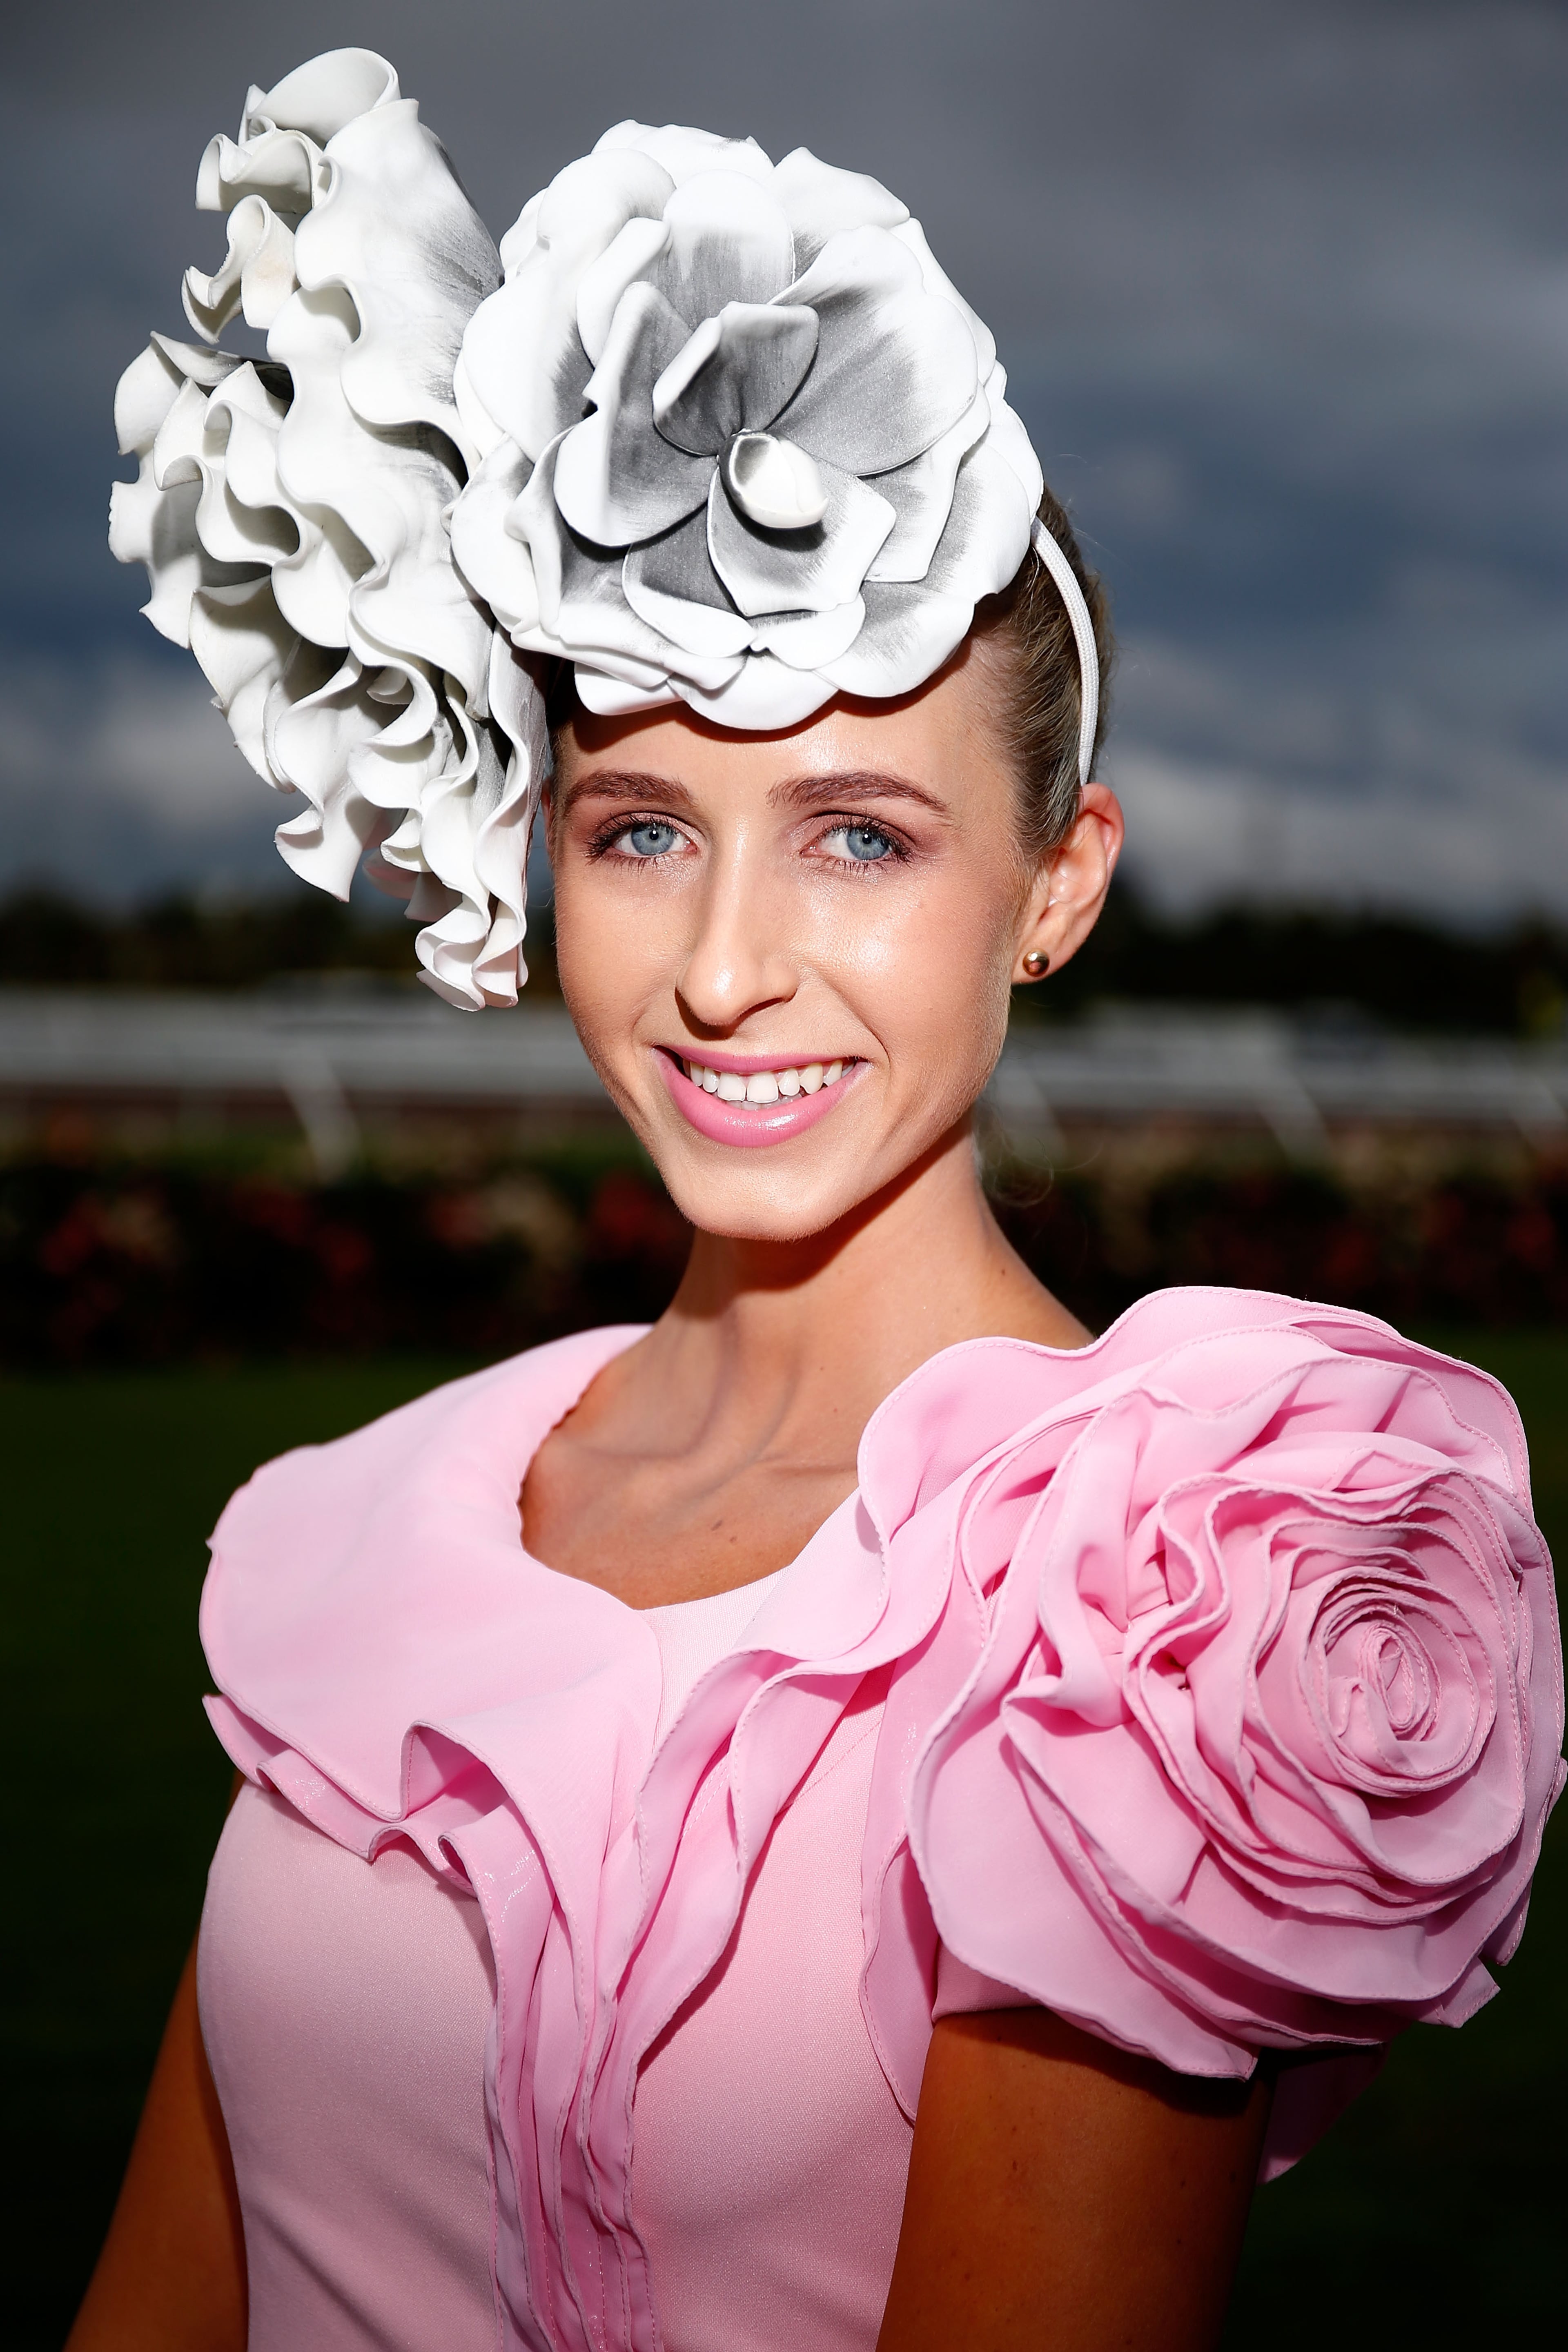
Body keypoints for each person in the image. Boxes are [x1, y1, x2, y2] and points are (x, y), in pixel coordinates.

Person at [77, 47, 1562, 2352]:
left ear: (1057, 890)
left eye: (863, 836)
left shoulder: (1153, 1612)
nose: (729, 963)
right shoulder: (368, 1525)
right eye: (641, 828)